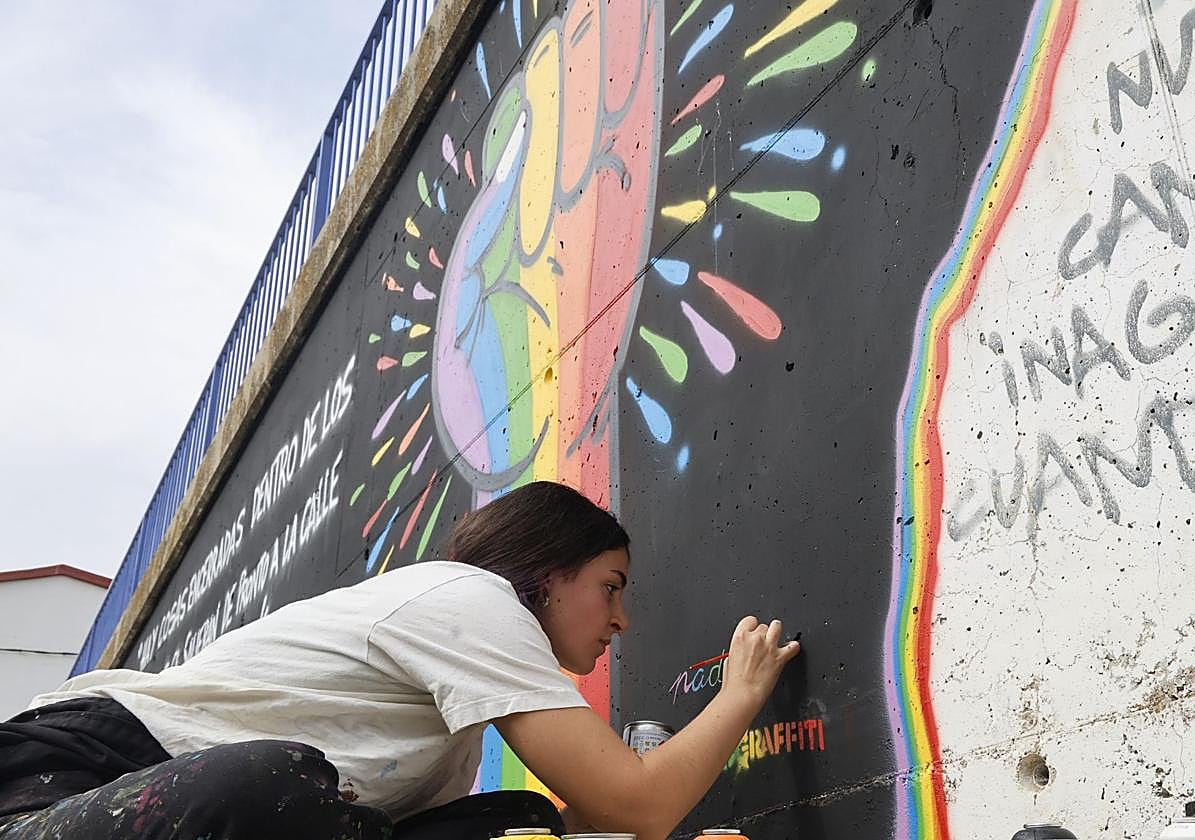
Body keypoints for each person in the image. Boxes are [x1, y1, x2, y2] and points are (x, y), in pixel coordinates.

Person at [0, 481, 801, 840]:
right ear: (548, 571)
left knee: (513, 827)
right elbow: (639, 806)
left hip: (205, 804)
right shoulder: (469, 598)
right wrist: (738, 693)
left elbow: (611, 816)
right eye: (609, 587)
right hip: (62, 783)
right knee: (280, 780)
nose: (620, 620)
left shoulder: (438, 756)